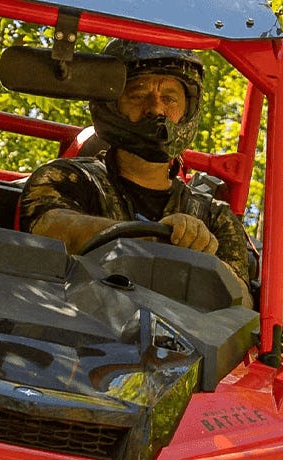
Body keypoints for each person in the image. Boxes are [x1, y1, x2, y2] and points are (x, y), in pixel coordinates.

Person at [19, 41, 253, 284]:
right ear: (111, 106)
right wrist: (154, 240)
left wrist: (200, 254)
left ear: (188, 109)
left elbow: (241, 301)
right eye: (138, 95)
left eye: (170, 99)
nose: (155, 110)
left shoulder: (214, 216)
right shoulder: (66, 178)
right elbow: (48, 230)